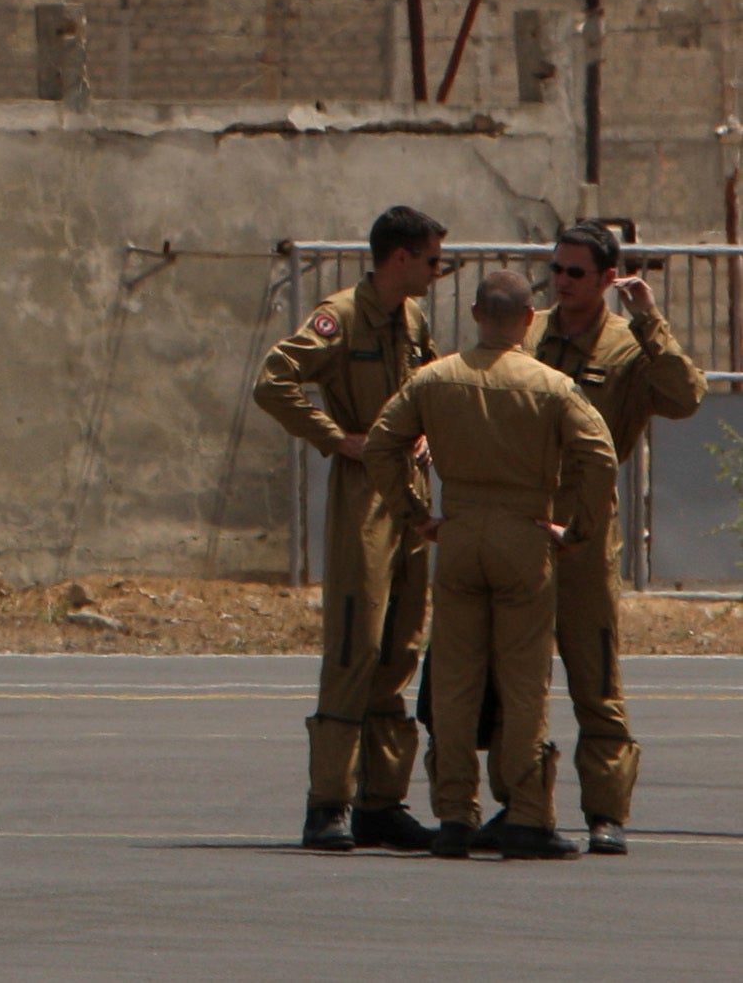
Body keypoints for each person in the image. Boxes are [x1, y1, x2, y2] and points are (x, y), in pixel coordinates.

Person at [363, 268, 617, 859]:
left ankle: (454, 814)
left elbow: (381, 443)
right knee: (524, 681)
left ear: (476, 316)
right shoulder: (551, 386)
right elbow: (600, 456)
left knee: (455, 679)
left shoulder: (435, 378)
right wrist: (578, 528)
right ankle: (527, 812)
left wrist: (414, 513)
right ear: (530, 319)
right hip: (526, 531)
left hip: (459, 530)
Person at [508, 222, 706, 854]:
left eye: (575, 273)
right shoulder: (527, 331)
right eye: (555, 271)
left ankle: (605, 810)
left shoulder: (627, 346)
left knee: (594, 673)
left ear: (606, 279)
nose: (561, 284)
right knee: (517, 674)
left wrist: (650, 321)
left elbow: (684, 397)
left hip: (586, 523)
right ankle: (522, 805)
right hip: (519, 514)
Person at [253, 204, 444, 851]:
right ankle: (328, 801)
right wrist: (338, 440)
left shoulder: (412, 318)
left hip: (411, 494)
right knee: (354, 642)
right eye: (431, 260)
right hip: (364, 493)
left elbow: (431, 384)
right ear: (400, 259)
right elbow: (275, 381)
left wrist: (427, 433)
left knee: (399, 647)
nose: (436, 272)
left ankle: (381, 801)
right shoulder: (341, 316)